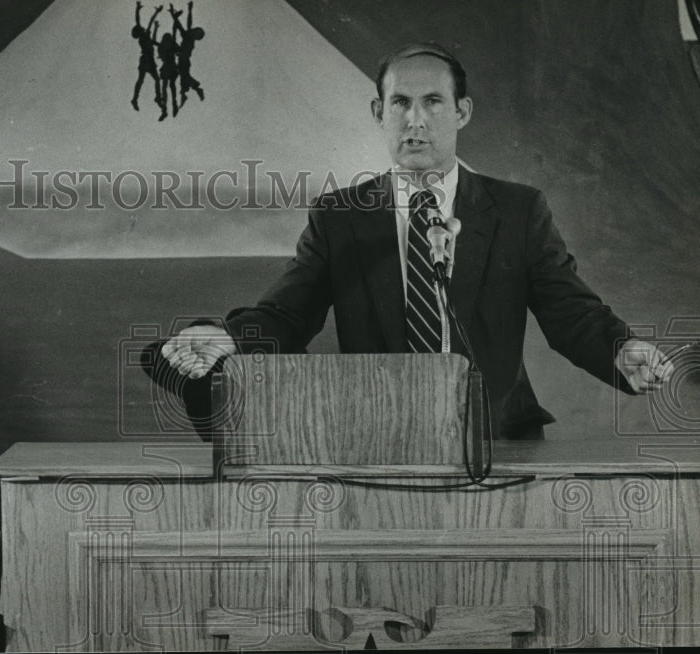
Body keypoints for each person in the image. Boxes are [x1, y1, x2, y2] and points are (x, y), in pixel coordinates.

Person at [155, 42, 673, 440]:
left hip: (501, 440)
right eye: (399, 102)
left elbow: (570, 311)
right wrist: (229, 338)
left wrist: (620, 348)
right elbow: (288, 315)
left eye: (433, 102)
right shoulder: (340, 217)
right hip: (379, 440)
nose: (415, 120)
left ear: (462, 112)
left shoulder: (518, 210)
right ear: (378, 112)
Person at [171, 1, 205, 107]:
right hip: (184, 59)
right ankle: (186, 92)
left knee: (184, 76)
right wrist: (173, 15)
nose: (194, 29)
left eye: (197, 31)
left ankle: (192, 89)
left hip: (184, 59)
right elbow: (180, 25)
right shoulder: (187, 36)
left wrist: (189, 10)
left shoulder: (189, 37)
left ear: (196, 35)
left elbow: (187, 23)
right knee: (183, 76)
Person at [131, 2, 162, 112]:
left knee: (155, 80)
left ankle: (157, 97)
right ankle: (135, 99)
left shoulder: (146, 37)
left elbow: (154, 41)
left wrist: (156, 27)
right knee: (142, 80)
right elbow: (146, 21)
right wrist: (156, 12)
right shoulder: (144, 36)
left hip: (149, 60)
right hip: (146, 59)